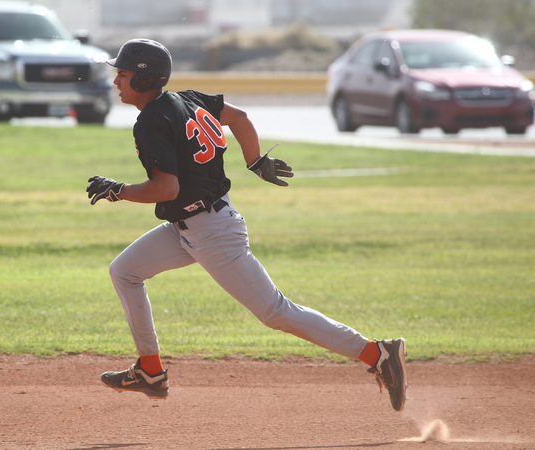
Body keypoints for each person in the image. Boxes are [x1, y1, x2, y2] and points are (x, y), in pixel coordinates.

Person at [87, 39, 408, 411]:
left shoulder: (151, 121)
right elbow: (238, 118)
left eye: (123, 75)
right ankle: (150, 370)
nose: (116, 82)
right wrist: (254, 160)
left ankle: (376, 353)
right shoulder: (187, 98)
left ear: (143, 81)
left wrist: (118, 191)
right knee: (124, 271)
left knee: (276, 312)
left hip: (211, 232)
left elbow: (165, 187)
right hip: (189, 226)